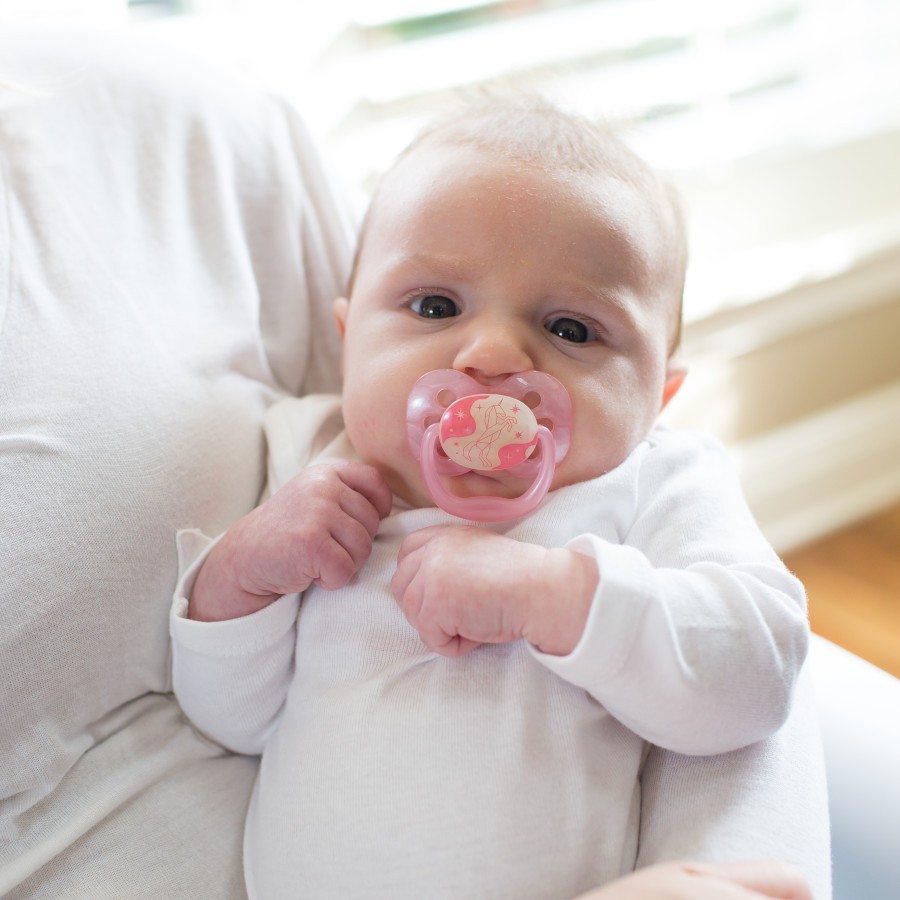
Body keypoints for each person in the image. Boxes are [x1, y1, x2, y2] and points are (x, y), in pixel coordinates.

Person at [169, 95, 814, 900]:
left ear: (659, 399)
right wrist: (240, 579)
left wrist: (554, 595)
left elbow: (761, 670)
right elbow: (234, 722)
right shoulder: (315, 464)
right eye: (435, 306)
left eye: (573, 330)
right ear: (347, 341)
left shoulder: (649, 480)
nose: (494, 354)